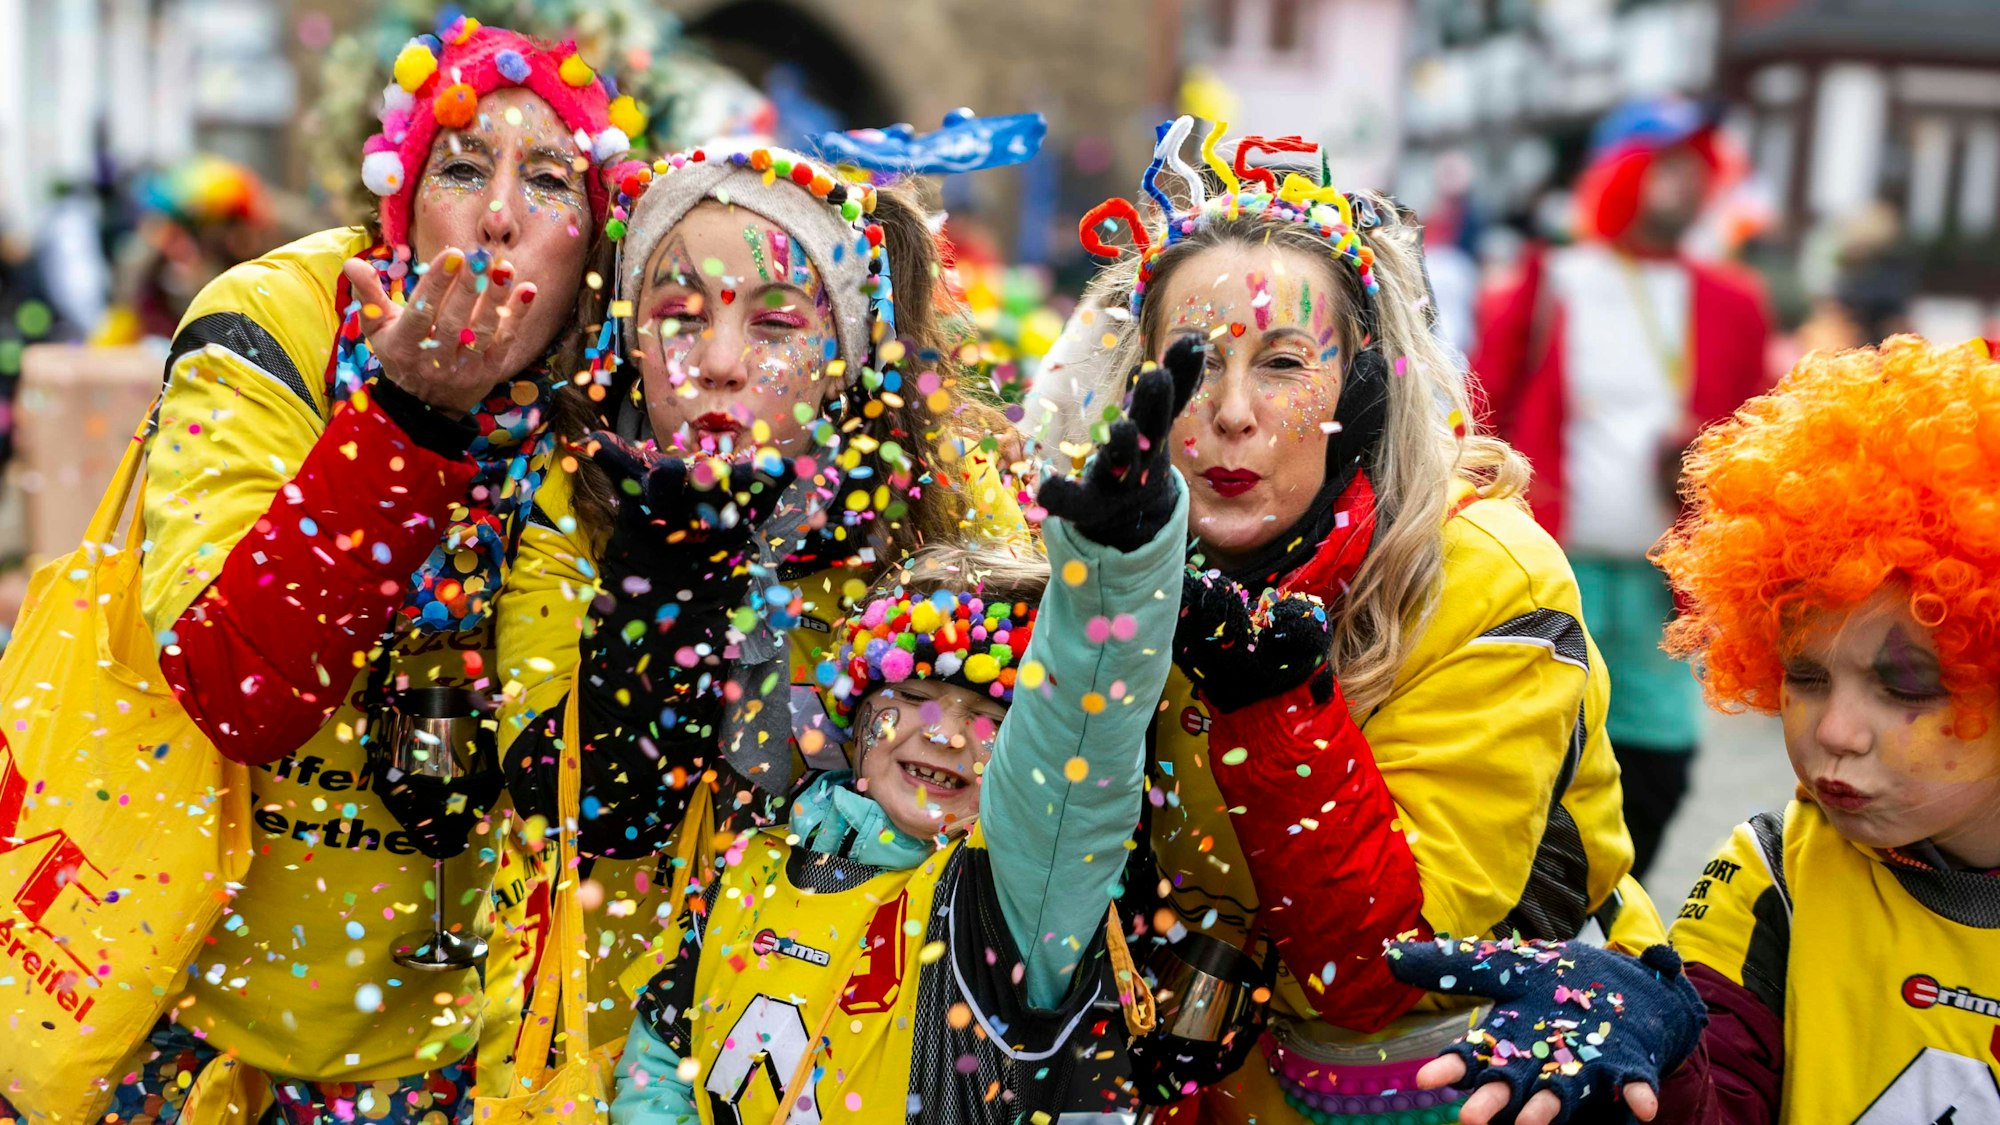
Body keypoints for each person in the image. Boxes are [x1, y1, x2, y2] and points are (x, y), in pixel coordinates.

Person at [11, 20, 639, 1122]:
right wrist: (405, 421)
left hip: (470, 1058)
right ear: (400, 208)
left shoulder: (622, 385)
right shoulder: (269, 322)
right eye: (461, 168)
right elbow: (234, 688)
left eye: (548, 181)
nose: (498, 215)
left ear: (593, 246)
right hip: (188, 1027)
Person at [1025, 118, 1664, 1124]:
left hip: (1476, 1081)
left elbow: (1384, 970)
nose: (1232, 412)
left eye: (1283, 364)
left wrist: (1268, 700)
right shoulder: (1122, 549)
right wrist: (1095, 600)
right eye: (1192, 363)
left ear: (1362, 386)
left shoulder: (1485, 573)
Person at [491, 134, 1033, 1038]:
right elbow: (583, 805)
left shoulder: (943, 501)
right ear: (629, 338)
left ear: (844, 354)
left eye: (776, 325)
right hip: (602, 1031)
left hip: (852, 1038)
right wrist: (664, 574)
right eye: (679, 314)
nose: (720, 361)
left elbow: (1026, 783)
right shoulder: (572, 498)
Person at [1387, 336, 2000, 1124]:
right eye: (1805, 676)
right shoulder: (1771, 880)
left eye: (1905, 685)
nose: (1837, 730)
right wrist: (1664, 1052)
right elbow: (1716, 1096)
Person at [608, 341, 1201, 1125]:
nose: (946, 735)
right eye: (915, 695)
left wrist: (1114, 576)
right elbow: (658, 1059)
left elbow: (1074, 749)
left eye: (991, 719)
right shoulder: (752, 866)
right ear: (857, 718)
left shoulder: (1012, 906)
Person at [1471, 97, 1774, 879]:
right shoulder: (1553, 281)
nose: (1683, 183)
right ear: (1621, 175)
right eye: (1663, 164)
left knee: (1659, 759)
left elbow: (1760, 430)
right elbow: (1484, 408)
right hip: (1552, 560)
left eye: (1695, 167)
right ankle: (1529, 899)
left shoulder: (1734, 301)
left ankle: (1613, 896)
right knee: (1535, 743)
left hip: (1664, 572)